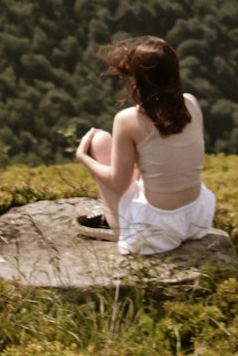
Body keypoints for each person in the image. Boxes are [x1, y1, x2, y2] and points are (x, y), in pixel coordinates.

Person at [74, 35, 216, 255]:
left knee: (98, 141)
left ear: (137, 79)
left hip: (156, 230)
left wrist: (84, 157)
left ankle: (117, 224)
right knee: (139, 160)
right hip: (197, 217)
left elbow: (118, 183)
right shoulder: (191, 103)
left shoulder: (128, 119)